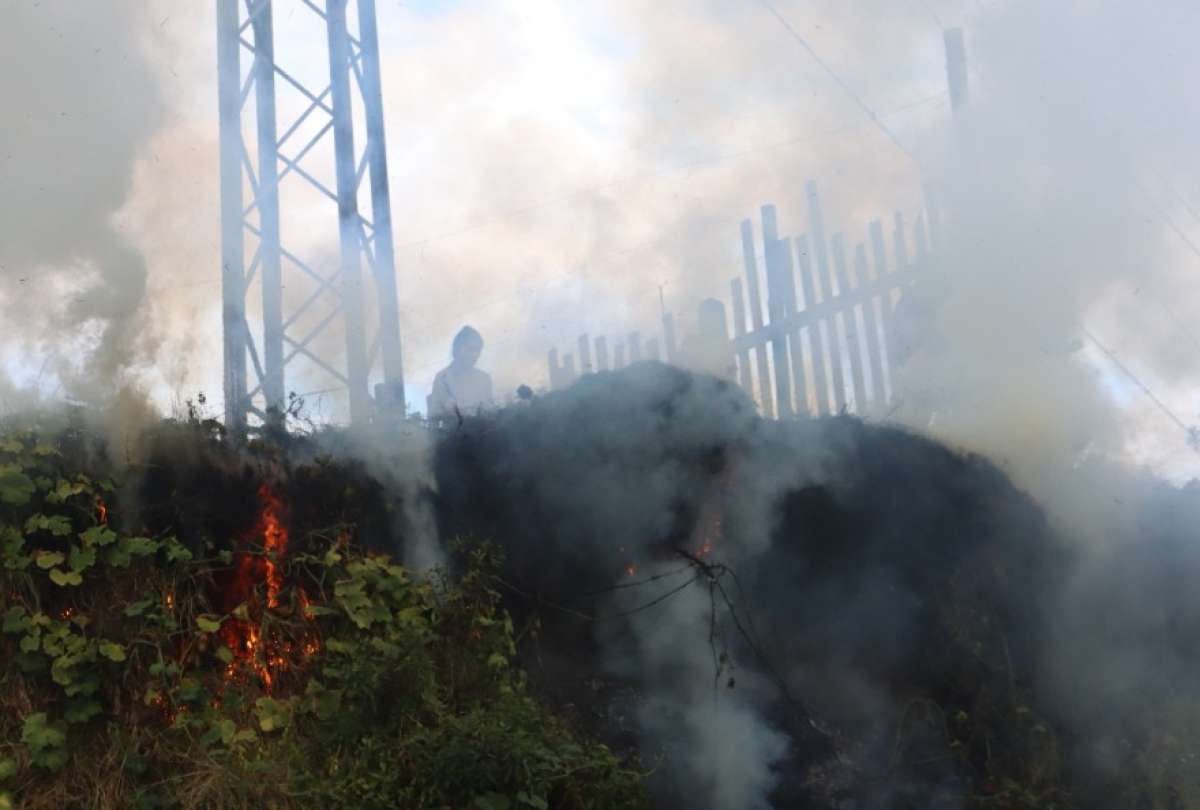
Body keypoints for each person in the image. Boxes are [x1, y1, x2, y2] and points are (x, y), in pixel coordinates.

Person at [427, 326, 494, 420]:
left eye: (478, 350)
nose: (475, 355)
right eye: (470, 349)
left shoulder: (484, 378)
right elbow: (434, 416)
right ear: (457, 348)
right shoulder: (442, 378)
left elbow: (490, 413)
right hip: (453, 433)